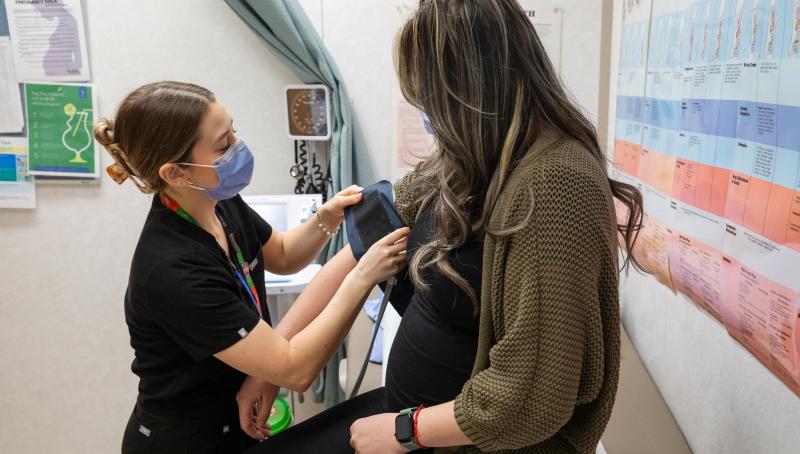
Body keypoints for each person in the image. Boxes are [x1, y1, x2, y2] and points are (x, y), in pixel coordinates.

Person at [249, 1, 644, 453]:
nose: (428, 119)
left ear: (473, 95)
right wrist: (271, 364)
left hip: (471, 438)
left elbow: (534, 395)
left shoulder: (556, 183)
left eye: (432, 102)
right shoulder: (464, 163)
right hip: (416, 421)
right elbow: (359, 248)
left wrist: (405, 430)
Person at [96, 81, 409, 454]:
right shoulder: (172, 269)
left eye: (233, 130)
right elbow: (295, 369)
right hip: (185, 441)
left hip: (238, 419)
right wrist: (362, 277)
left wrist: (325, 220)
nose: (238, 147)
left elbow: (282, 252)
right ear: (176, 174)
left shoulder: (218, 203)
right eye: (223, 144)